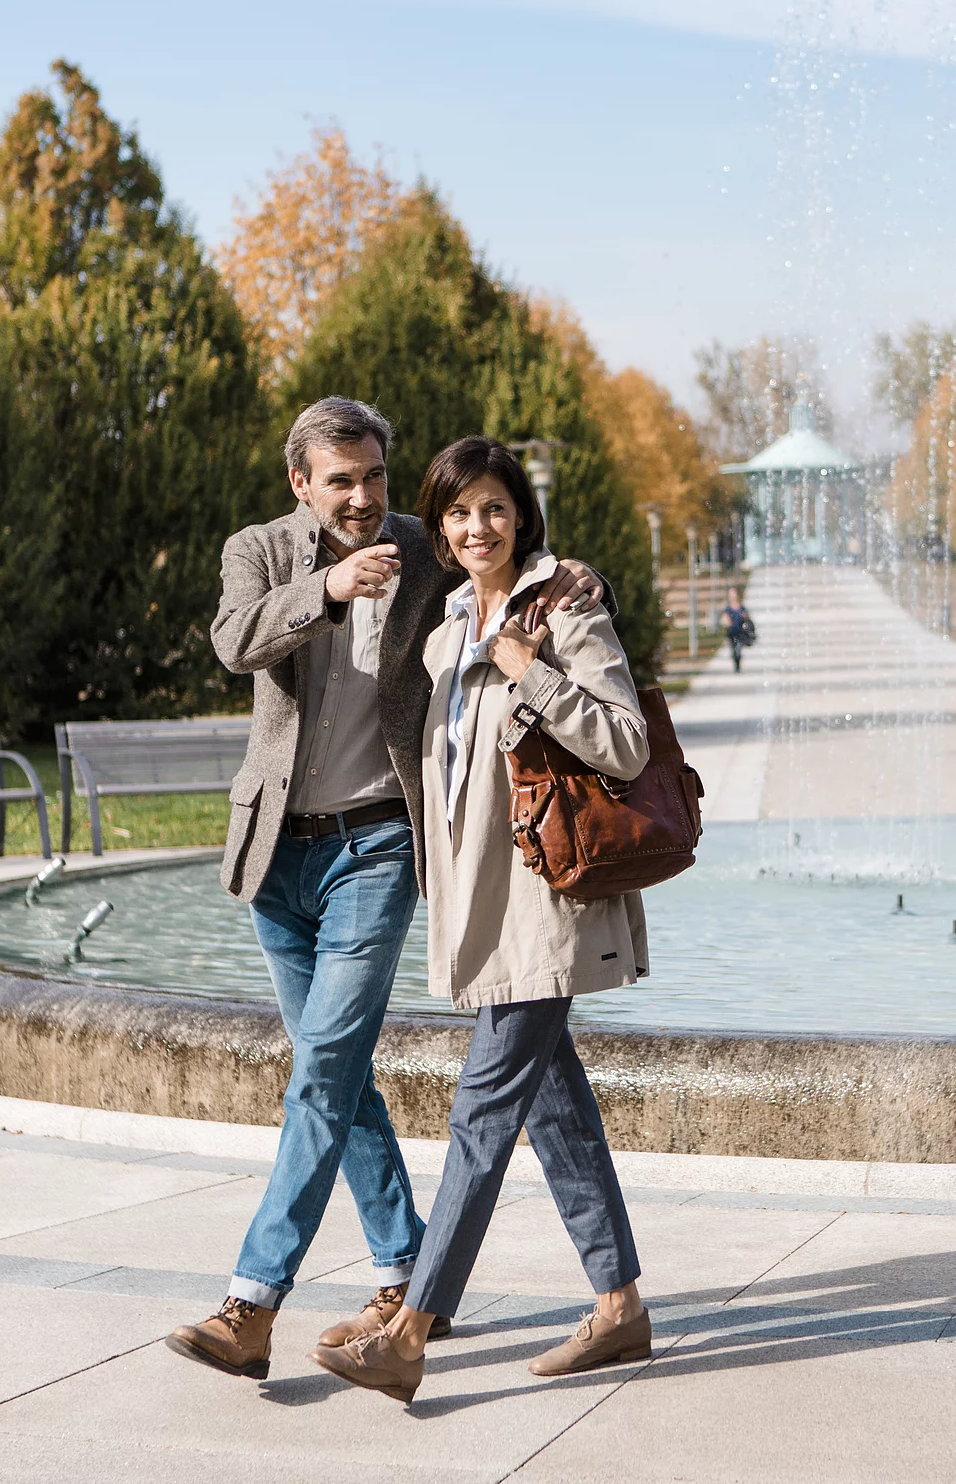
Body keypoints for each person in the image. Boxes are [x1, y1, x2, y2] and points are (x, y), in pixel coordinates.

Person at [166, 400, 606, 1383]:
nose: (364, 497)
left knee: (321, 1068)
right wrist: (325, 587)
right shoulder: (261, 552)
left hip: (377, 845)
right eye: (342, 481)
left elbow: (507, 552)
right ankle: (403, 1268)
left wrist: (579, 576)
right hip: (279, 855)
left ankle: (252, 1301)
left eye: (373, 476)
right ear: (302, 485)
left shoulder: (421, 546)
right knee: (344, 1070)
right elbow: (234, 640)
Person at [309, 436, 652, 1404]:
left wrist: (530, 670)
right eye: (458, 512)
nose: (475, 528)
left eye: (494, 508)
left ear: (522, 515)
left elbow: (624, 745)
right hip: (482, 908)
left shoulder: (563, 605)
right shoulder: (447, 621)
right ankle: (620, 1304)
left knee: (481, 1113)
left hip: (546, 906)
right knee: (559, 1112)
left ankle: (412, 1328)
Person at [718, 587, 754, 672]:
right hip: (731, 633)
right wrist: (726, 621)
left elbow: (747, 619)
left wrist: (745, 617)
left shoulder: (742, 608)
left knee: (738, 649)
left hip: (740, 633)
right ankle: (736, 662)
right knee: (733, 651)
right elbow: (723, 619)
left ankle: (738, 664)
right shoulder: (728, 609)